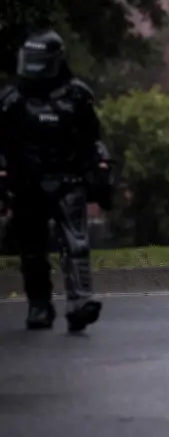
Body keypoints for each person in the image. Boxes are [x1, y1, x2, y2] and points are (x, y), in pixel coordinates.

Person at [0, 30, 114, 332]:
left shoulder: (76, 95)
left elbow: (93, 139)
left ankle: (80, 302)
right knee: (33, 248)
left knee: (76, 243)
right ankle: (39, 305)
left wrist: (101, 168)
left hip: (67, 179)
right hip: (26, 182)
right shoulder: (12, 99)